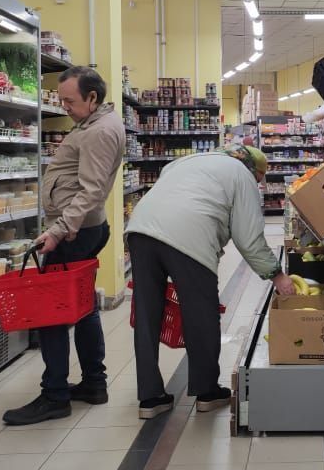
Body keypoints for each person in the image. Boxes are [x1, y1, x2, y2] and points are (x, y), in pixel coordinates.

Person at [125, 145, 295, 419]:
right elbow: (249, 238)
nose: (259, 185)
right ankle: (206, 392)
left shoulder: (189, 160)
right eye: (260, 179)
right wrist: (276, 275)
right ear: (254, 169)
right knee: (201, 313)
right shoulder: (242, 176)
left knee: (146, 315)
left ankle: (150, 398)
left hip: (139, 229)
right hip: (188, 238)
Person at [2, 66, 125, 426]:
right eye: (61, 100)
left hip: (75, 232)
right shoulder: (94, 123)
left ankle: (54, 395)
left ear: (92, 98)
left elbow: (91, 190)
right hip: (83, 229)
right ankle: (93, 384)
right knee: (84, 308)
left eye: (69, 101)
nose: (64, 107)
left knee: (51, 313)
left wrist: (58, 230)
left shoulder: (99, 131)